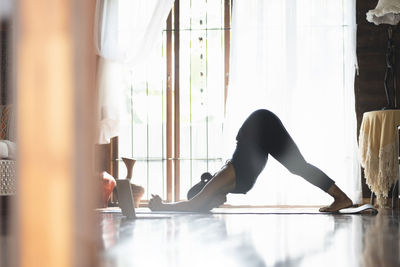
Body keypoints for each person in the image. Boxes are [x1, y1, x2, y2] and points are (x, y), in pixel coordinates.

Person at [149, 109, 353, 213]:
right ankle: (341, 197)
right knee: (297, 167)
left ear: (208, 196)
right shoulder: (227, 184)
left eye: (211, 205)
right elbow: (198, 203)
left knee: (298, 166)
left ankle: (341, 197)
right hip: (258, 133)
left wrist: (163, 207)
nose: (217, 206)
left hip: (259, 126)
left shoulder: (222, 179)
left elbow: (193, 205)